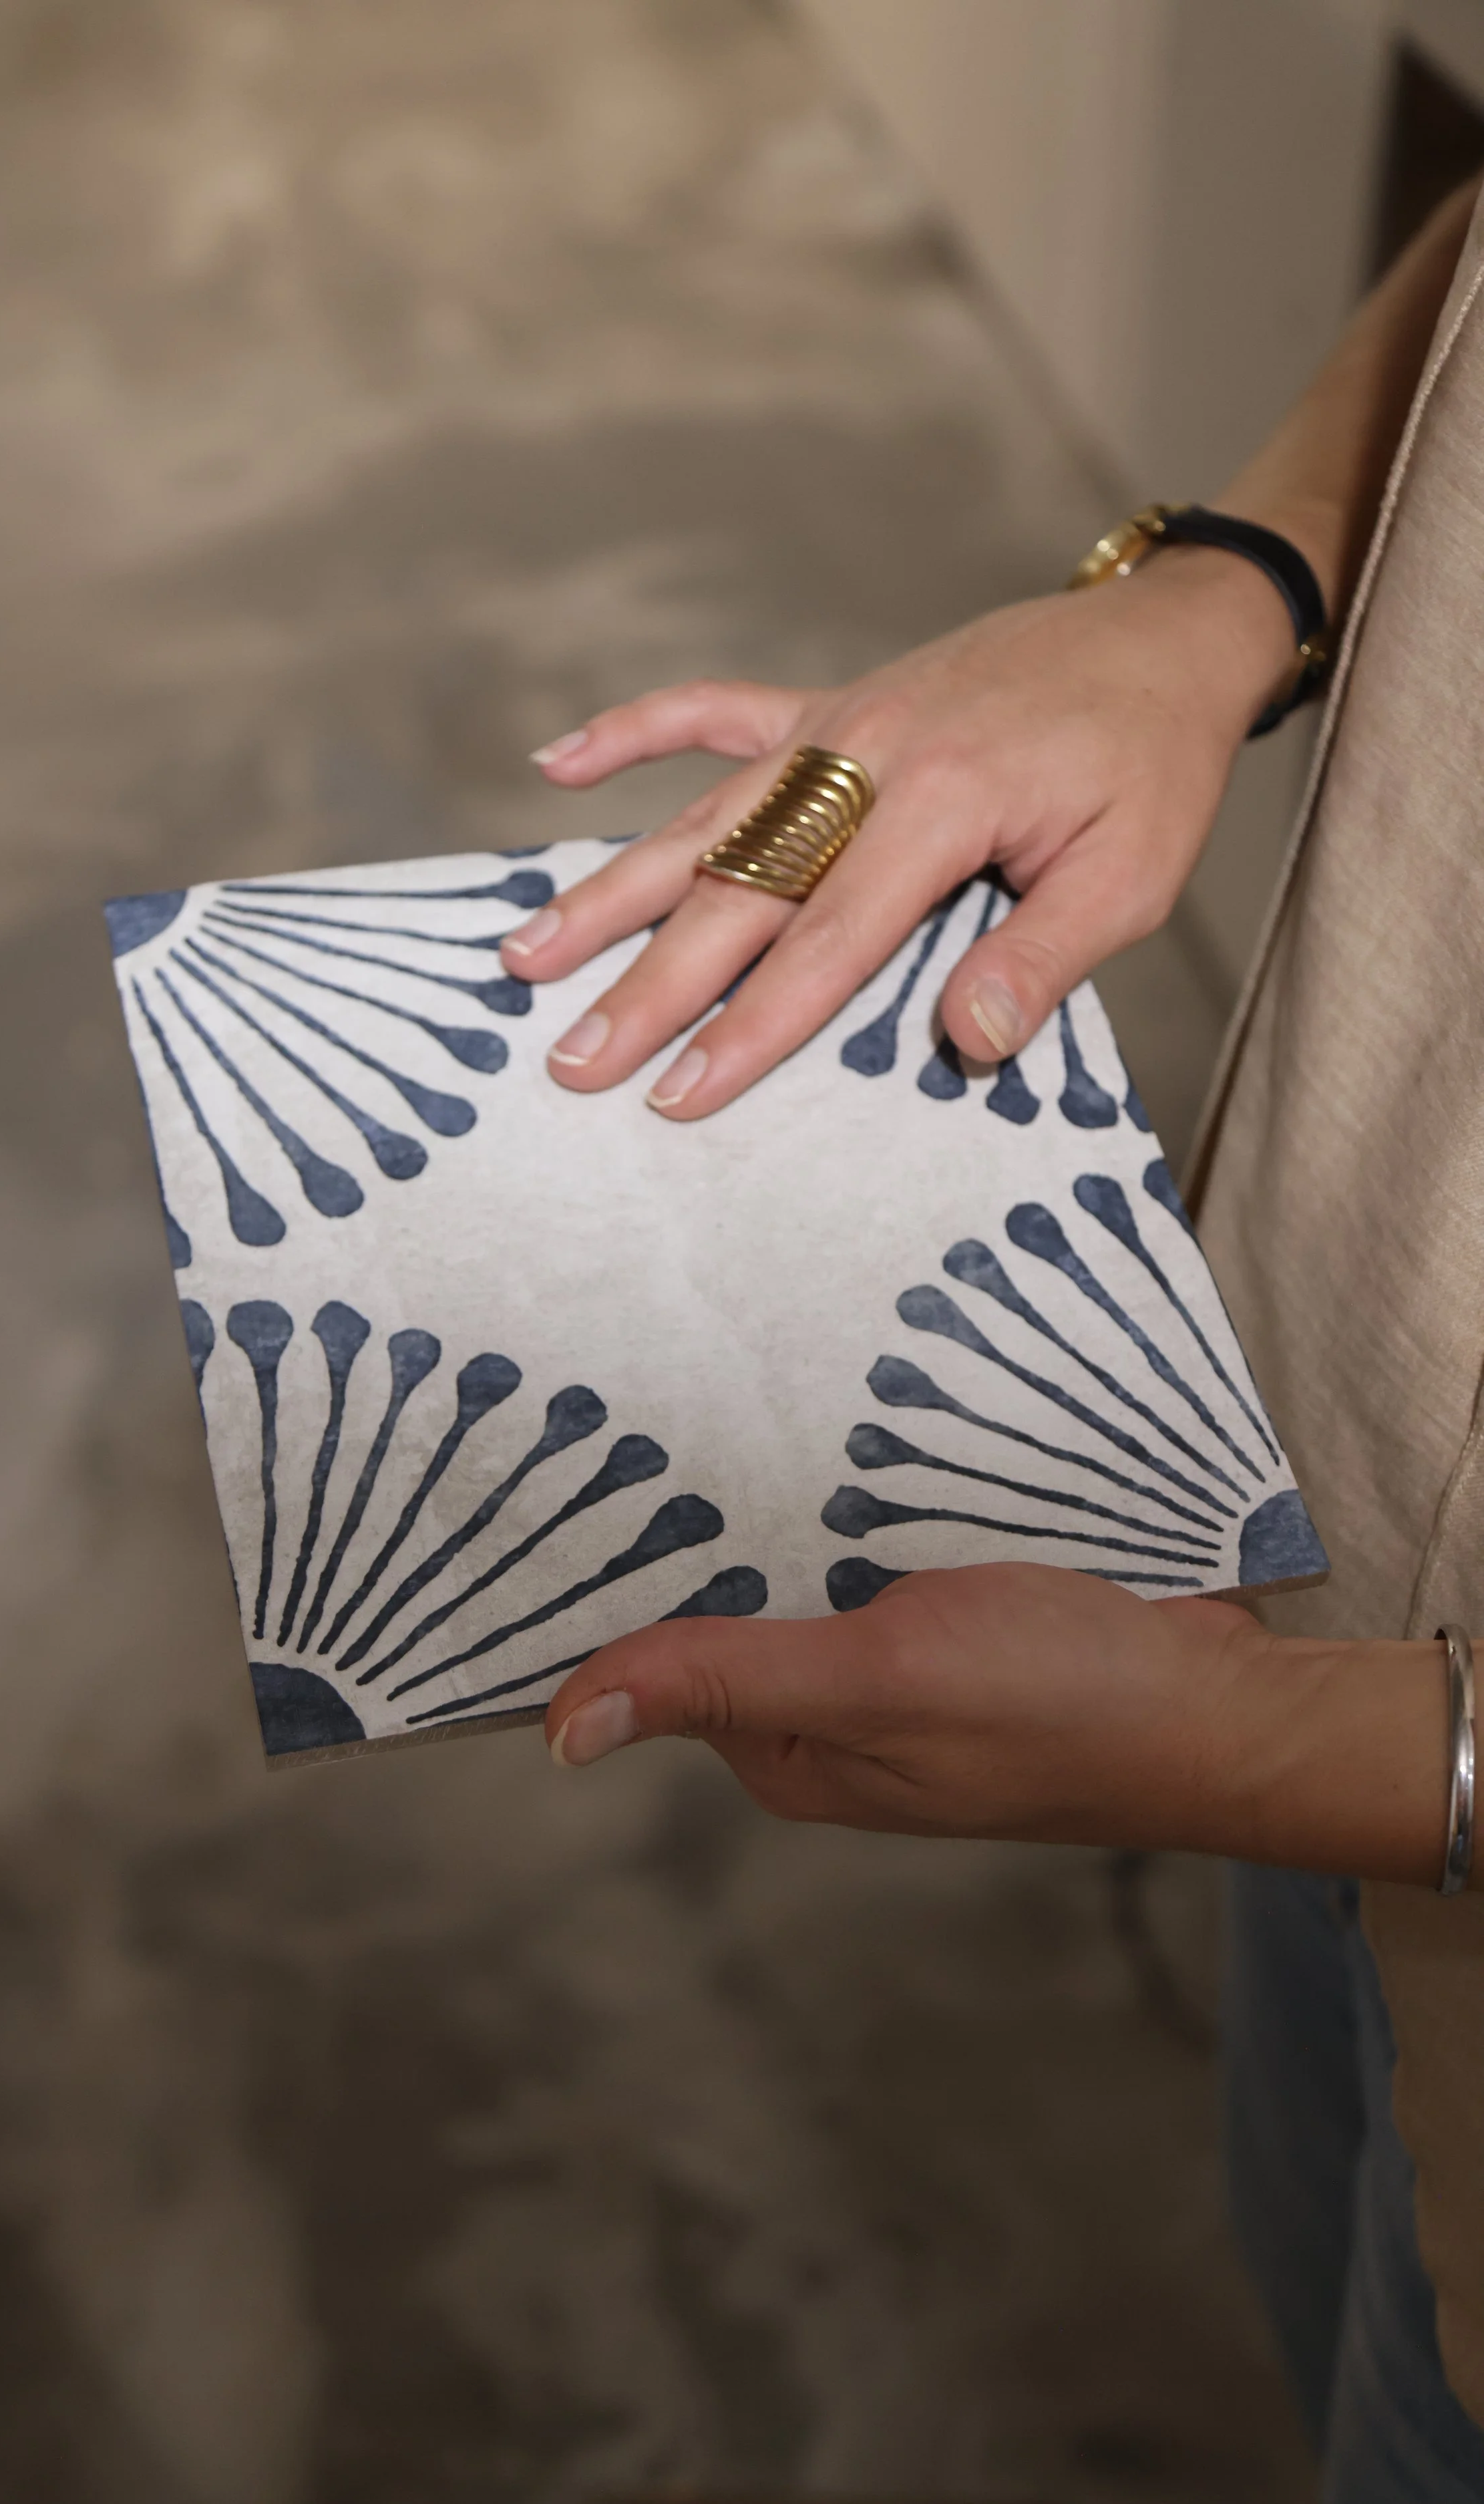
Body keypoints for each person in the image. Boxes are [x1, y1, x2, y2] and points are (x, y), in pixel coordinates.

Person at [501, 174, 1484, 2499]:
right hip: (1314, 1505)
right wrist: (1226, 577)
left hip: (1355, 1762)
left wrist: (1335, 1761)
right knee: (1317, 2254)